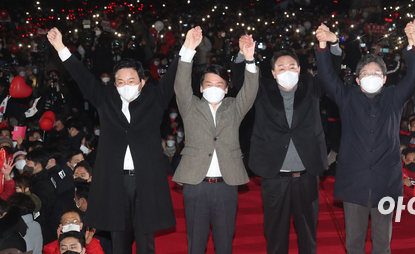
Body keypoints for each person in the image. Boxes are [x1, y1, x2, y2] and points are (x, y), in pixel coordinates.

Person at [47, 27, 177, 254]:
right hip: (115, 180)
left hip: (146, 179)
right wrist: (60, 47)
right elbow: (82, 76)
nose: (126, 85)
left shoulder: (154, 100)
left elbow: (173, 77)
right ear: (114, 84)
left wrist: (187, 50)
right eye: (120, 82)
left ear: (142, 82)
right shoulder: (105, 99)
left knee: (146, 240)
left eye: (131, 80)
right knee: (119, 239)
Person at [315, 21, 415, 254]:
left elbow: (414, 78)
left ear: (385, 79)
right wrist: (323, 46)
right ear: (357, 79)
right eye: (365, 73)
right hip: (353, 179)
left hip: (385, 180)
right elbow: (326, 78)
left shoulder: (394, 97)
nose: (371, 76)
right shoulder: (347, 97)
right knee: (354, 241)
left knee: (382, 241)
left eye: (376, 73)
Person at [233, 26, 342, 254]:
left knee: (307, 233)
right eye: (281, 67)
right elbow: (238, 82)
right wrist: (244, 55)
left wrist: (333, 44)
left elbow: (331, 72)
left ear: (300, 69)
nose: (287, 70)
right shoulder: (261, 89)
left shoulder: (311, 86)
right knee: (275, 234)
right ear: (272, 73)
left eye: (292, 66)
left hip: (307, 174)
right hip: (274, 176)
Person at [172, 28, 259, 254]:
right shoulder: (190, 106)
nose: (213, 88)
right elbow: (181, 86)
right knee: (196, 242)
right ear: (201, 88)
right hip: (195, 184)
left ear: (227, 89)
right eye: (208, 84)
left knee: (224, 242)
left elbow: (250, 92)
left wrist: (250, 59)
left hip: (226, 185)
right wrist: (188, 50)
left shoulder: (233, 107)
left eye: (219, 84)